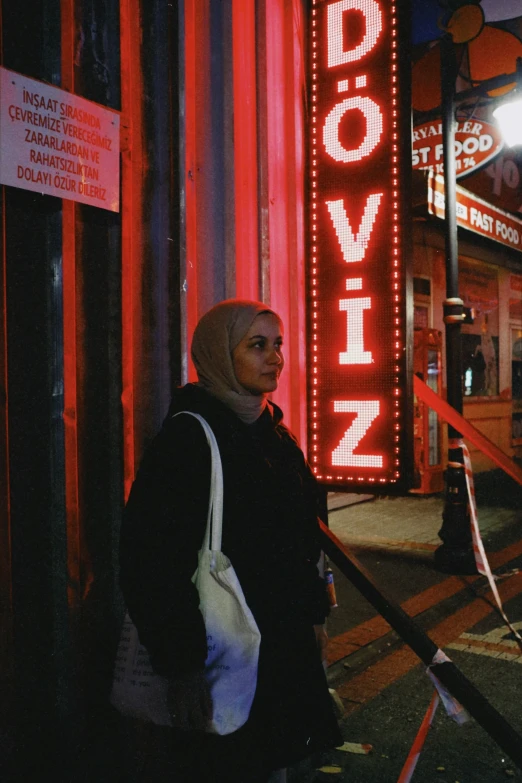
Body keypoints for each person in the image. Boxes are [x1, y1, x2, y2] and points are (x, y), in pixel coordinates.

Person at [119, 299, 342, 782]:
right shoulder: (189, 439)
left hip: (280, 649)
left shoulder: (274, 435)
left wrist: (314, 615)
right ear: (220, 354)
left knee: (272, 765)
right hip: (222, 651)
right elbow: (152, 561)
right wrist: (180, 666)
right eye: (257, 345)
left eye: (278, 344)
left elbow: (302, 536)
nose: (275, 358)